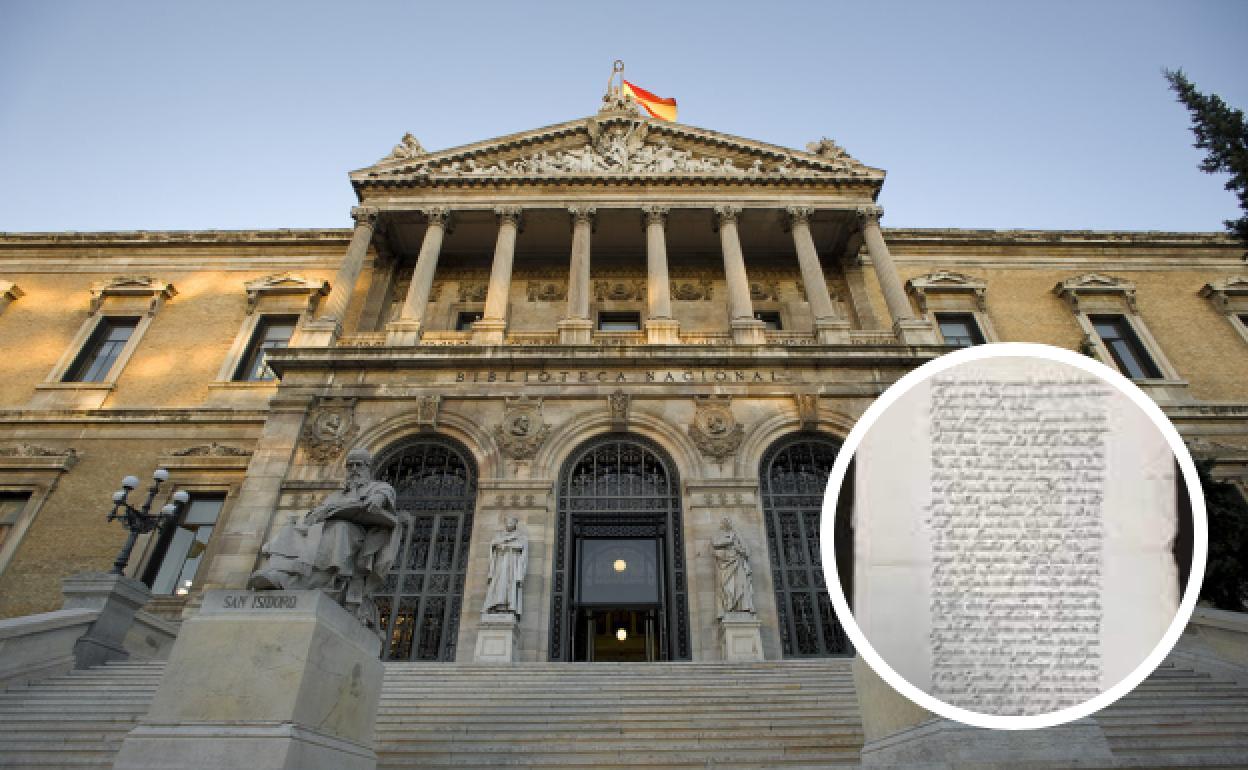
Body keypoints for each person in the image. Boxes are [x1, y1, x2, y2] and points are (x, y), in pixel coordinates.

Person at [249, 448, 402, 634]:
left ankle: (314, 580)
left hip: (358, 535)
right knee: (293, 529)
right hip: (324, 531)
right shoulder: (336, 495)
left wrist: (377, 500)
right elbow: (315, 513)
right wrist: (317, 513)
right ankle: (281, 573)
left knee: (340, 529)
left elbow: (384, 496)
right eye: (350, 466)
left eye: (358, 465)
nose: (354, 469)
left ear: (368, 467)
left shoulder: (377, 487)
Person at [483, 516, 528, 615]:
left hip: (513, 564)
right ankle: (495, 604)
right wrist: (499, 546)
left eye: (511, 523)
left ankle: (509, 606)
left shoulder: (520, 536)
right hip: (500, 562)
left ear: (515, 524)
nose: (509, 524)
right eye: (508, 522)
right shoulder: (499, 535)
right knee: (499, 582)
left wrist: (507, 546)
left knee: (510, 584)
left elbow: (522, 547)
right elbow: (493, 545)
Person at [711, 517, 756, 616]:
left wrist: (739, 549)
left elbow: (746, 551)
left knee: (740, 585)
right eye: (725, 522)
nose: (727, 523)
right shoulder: (719, 535)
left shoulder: (737, 535)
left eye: (728, 521)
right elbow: (715, 543)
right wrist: (729, 541)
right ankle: (729, 606)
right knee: (728, 586)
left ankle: (743, 607)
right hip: (726, 563)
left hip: (738, 562)